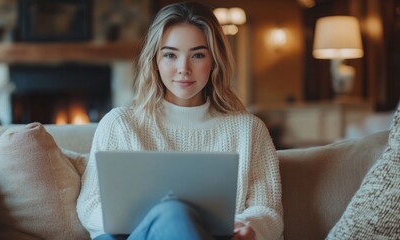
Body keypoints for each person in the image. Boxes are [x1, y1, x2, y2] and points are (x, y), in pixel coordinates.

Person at [76, 1, 283, 240]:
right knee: (173, 212)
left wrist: (248, 227)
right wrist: (144, 220)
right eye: (170, 55)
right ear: (155, 61)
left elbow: (268, 210)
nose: (183, 68)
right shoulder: (120, 124)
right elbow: (90, 204)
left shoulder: (249, 130)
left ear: (214, 61)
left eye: (197, 55)